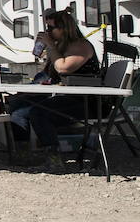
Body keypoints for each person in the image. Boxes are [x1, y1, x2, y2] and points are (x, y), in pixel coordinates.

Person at [8, 9, 100, 167]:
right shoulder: (61, 46)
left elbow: (63, 68)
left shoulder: (81, 46)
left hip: (85, 100)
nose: (48, 32)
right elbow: (50, 74)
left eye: (51, 29)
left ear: (64, 29)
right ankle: (23, 153)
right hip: (64, 95)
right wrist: (44, 49)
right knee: (17, 108)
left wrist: (51, 46)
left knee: (39, 112)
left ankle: (54, 158)